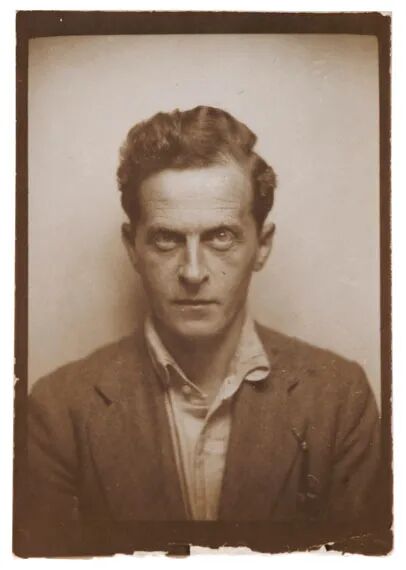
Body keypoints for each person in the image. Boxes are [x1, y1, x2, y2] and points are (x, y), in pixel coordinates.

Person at [21, 106, 381, 552]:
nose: (193, 272)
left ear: (262, 246)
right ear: (132, 247)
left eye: (220, 237)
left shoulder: (341, 399)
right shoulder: (57, 411)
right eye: (166, 239)